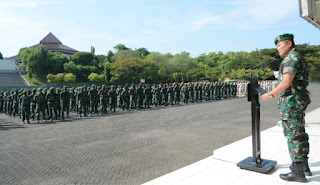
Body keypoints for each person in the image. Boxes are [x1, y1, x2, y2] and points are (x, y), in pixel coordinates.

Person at [261, 33, 311, 183]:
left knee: (293, 135)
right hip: (297, 101)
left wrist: (270, 94)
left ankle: (298, 172)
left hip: (292, 103)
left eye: (279, 45)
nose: (277, 48)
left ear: (289, 44)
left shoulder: (291, 59)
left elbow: (286, 82)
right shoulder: (297, 57)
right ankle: (303, 165)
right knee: (300, 133)